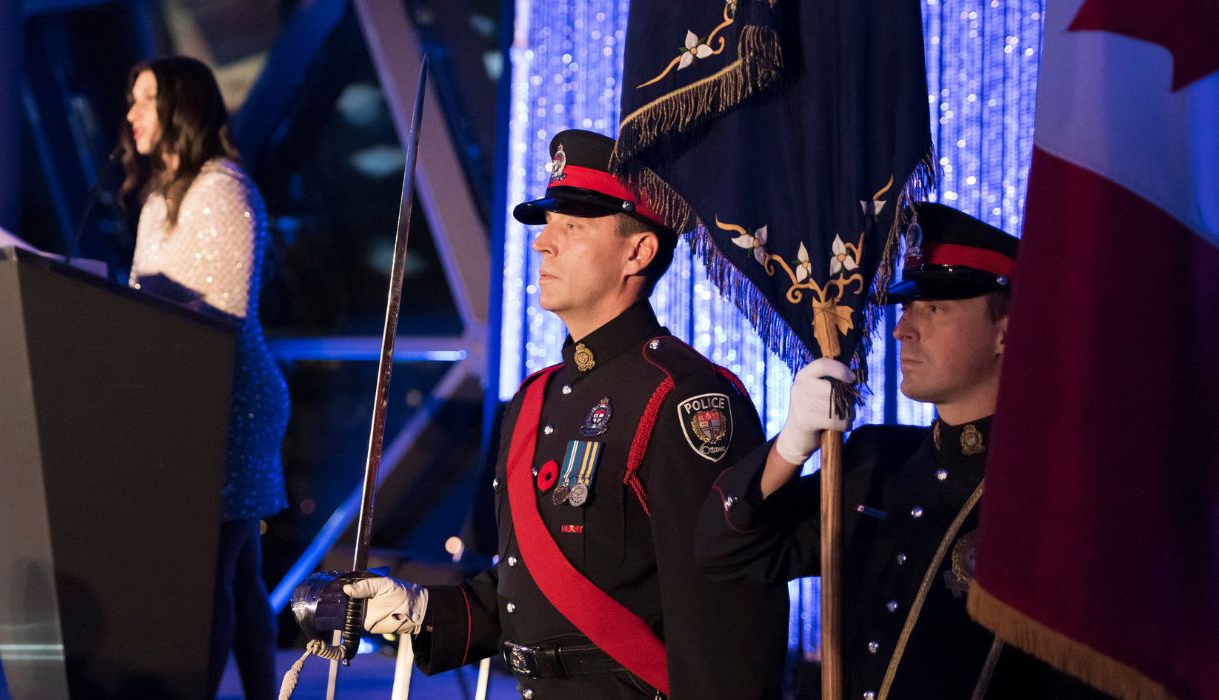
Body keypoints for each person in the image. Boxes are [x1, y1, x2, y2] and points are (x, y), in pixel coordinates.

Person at [341, 130, 788, 699]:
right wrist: (421, 610)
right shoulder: (535, 397)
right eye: (548, 224)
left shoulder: (683, 397)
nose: (542, 243)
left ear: (638, 251)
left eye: (571, 226)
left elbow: (726, 613)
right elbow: (532, 589)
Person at [695, 204, 1105, 698]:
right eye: (908, 307)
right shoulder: (877, 461)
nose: (902, 329)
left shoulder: (1063, 495)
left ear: (1007, 331)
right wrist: (790, 446)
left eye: (935, 308)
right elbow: (724, 551)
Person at [120, 56, 288, 700]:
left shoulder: (222, 189)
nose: (131, 115)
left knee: (210, 573)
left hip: (231, 402)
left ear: (181, 109)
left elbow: (225, 309)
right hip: (185, 401)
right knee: (237, 575)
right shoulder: (160, 198)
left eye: (145, 100)